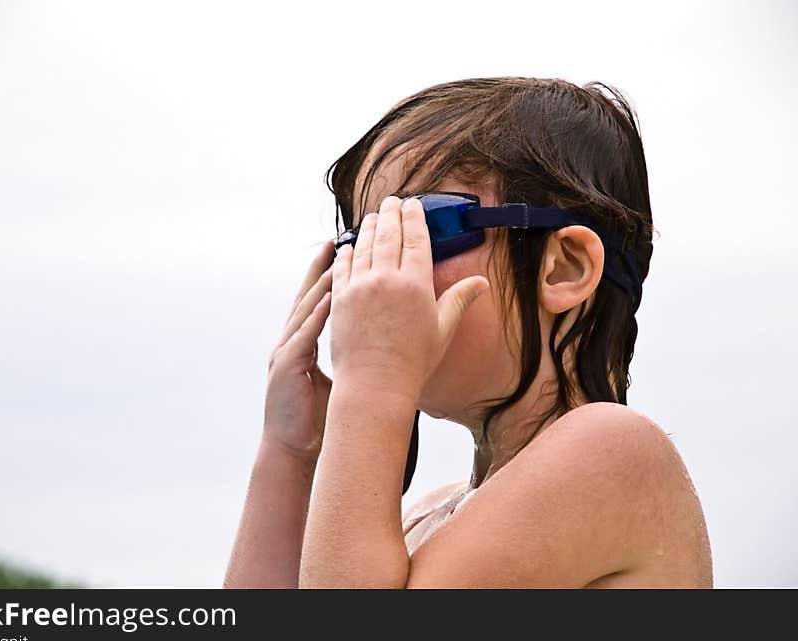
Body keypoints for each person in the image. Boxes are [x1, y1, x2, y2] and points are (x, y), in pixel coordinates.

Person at [224, 77, 713, 588]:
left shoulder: (614, 452)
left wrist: (372, 383)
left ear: (563, 268)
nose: (374, 276)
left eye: (422, 229)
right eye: (361, 242)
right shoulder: (429, 517)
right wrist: (292, 453)